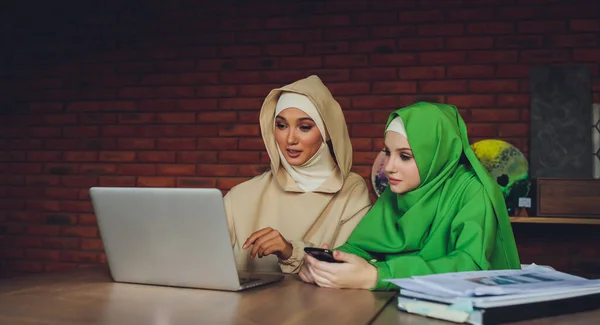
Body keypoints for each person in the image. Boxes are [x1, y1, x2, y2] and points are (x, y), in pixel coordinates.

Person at [299, 102, 521, 290]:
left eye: (405, 156)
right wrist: (328, 265)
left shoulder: (473, 190)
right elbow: (361, 248)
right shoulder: (397, 190)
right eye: (387, 152)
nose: (388, 167)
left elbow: (470, 265)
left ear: (436, 155)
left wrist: (377, 276)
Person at [223, 75, 371, 274]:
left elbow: (347, 269)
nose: (290, 139)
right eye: (281, 126)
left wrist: (290, 251)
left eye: (304, 127)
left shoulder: (351, 191)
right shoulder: (240, 196)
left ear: (327, 131)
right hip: (245, 305)